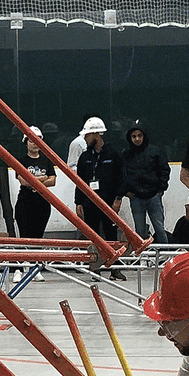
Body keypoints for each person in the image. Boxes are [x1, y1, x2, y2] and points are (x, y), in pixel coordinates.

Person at [74, 116, 127, 281]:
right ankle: (95, 269)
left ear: (96, 134)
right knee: (94, 237)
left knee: (112, 236)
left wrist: (118, 199)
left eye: (87, 135)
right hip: (90, 204)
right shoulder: (84, 158)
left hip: (109, 203)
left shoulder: (114, 154)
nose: (85, 138)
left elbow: (122, 178)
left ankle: (115, 268)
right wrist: (78, 202)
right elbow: (80, 181)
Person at [13, 125, 56, 283]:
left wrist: (35, 181)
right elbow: (23, 180)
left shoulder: (47, 160)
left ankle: (34, 268)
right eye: (31, 140)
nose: (34, 143)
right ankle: (19, 268)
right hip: (25, 203)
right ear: (26, 142)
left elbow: (53, 181)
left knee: (38, 238)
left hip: (42, 204)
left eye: (38, 140)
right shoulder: (21, 160)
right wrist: (43, 179)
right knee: (24, 237)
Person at [120, 122, 170, 243]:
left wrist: (160, 190)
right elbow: (122, 175)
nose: (137, 139)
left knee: (160, 228)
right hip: (136, 198)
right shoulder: (126, 155)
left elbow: (164, 170)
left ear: (144, 136)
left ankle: (166, 256)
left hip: (154, 197)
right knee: (139, 231)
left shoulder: (156, 151)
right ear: (130, 138)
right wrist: (126, 192)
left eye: (139, 135)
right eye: (134, 136)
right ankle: (143, 257)